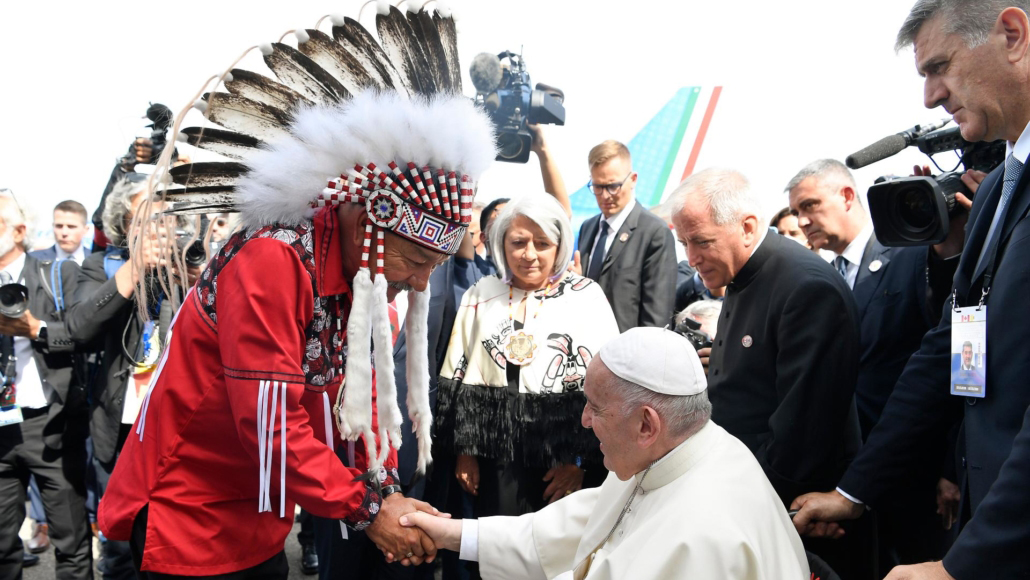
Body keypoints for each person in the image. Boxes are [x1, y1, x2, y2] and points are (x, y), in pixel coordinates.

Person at [96, 6, 498, 577]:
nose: (419, 280)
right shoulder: (273, 259)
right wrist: (366, 509)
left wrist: (383, 494)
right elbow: (268, 423)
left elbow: (351, 408)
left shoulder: (360, 281)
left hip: (260, 518)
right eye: (415, 259)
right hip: (187, 517)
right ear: (369, 217)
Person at [790, 3, 1030, 579]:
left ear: (1014, 35)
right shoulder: (999, 189)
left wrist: (960, 566)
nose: (930, 97)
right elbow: (946, 353)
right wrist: (854, 491)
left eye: (939, 66)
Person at [403, 327, 810, 580]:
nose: (582, 421)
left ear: (646, 425)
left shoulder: (702, 535)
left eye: (595, 408)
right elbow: (576, 531)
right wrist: (452, 534)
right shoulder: (676, 453)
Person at [669, 168, 868, 578]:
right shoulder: (743, 278)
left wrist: (744, 505)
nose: (691, 259)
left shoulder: (804, 287)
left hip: (792, 514)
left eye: (702, 241)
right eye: (684, 243)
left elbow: (802, 432)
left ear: (746, 227)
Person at [787, 158, 961, 573]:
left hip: (918, 475)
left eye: (810, 205)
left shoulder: (912, 254)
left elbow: (949, 359)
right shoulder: (824, 277)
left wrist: (950, 467)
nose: (803, 219)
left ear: (847, 196)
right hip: (855, 477)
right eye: (796, 213)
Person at [435, 194, 620, 523]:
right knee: (497, 552)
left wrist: (578, 461)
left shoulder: (585, 295)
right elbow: (457, 373)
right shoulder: (482, 292)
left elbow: (609, 386)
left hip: (562, 461)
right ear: (500, 243)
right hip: (496, 455)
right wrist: (465, 452)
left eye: (542, 243)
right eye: (518, 242)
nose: (529, 255)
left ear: (560, 245)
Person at [66, 175, 200, 580]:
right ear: (126, 224)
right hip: (121, 424)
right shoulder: (101, 265)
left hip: (180, 425)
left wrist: (195, 280)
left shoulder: (189, 265)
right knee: (121, 540)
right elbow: (78, 328)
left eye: (166, 217)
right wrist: (136, 267)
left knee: (176, 537)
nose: (159, 227)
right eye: (147, 217)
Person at [0, 194, 93, 579]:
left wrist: (35, 329)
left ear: (20, 232)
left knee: (70, 544)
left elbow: (81, 333)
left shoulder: (57, 274)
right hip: (2, 431)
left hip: (51, 427)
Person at [577, 141, 677, 332]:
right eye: (597, 187)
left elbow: (656, 318)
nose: (605, 196)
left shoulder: (654, 233)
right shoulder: (588, 228)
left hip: (627, 355)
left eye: (613, 186)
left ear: (633, 179)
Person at [31, 200, 91, 264]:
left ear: (85, 230)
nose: (64, 233)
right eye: (59, 226)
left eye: (71, 227)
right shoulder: (33, 261)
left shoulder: (99, 262)